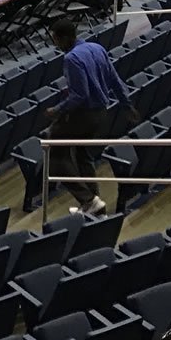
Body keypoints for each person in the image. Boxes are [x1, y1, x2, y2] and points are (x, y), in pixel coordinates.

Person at [46, 18, 133, 216]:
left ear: (65, 38)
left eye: (55, 40)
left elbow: (80, 95)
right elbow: (114, 78)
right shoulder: (97, 47)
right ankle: (94, 205)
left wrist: (57, 110)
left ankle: (87, 199)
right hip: (102, 113)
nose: (55, 45)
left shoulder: (71, 59)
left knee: (55, 155)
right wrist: (126, 103)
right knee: (83, 155)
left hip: (84, 114)